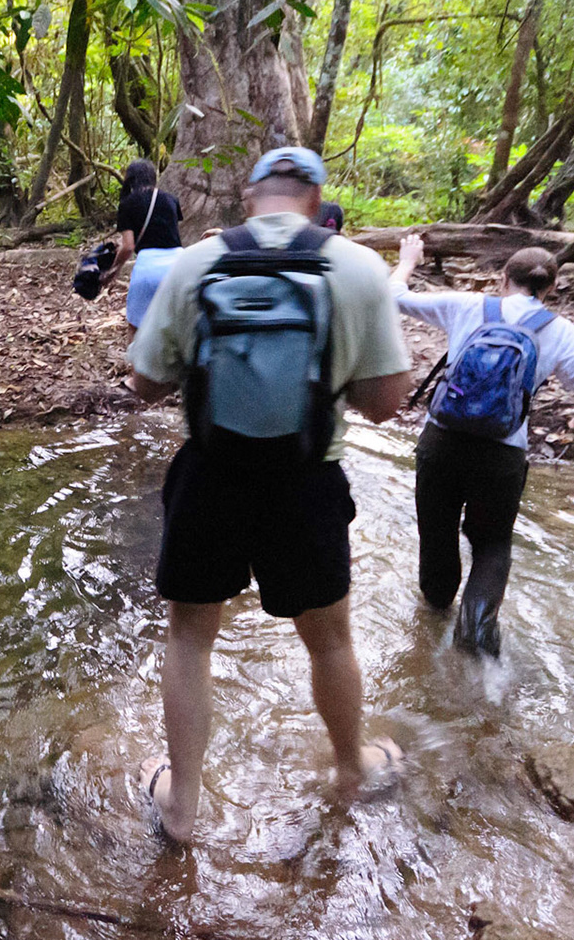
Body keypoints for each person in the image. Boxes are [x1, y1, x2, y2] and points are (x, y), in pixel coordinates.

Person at [126, 146, 415, 841]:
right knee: (329, 638)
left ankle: (183, 804)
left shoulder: (196, 262)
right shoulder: (355, 267)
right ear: (316, 200)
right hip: (307, 480)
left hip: (210, 474)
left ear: (251, 197)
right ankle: (351, 768)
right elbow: (387, 402)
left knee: (191, 637)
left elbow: (144, 384)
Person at [390, 235, 574, 657]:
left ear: (503, 277)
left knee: (437, 531)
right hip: (502, 454)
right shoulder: (561, 332)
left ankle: (433, 617)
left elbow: (396, 297)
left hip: (442, 442)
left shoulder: (467, 305)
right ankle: (475, 629)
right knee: (491, 543)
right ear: (553, 287)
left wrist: (407, 261)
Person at [110, 159, 183, 335]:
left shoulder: (127, 204)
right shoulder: (171, 200)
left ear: (130, 179)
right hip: (179, 264)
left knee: (136, 327)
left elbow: (128, 247)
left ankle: (137, 363)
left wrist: (114, 269)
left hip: (148, 266)